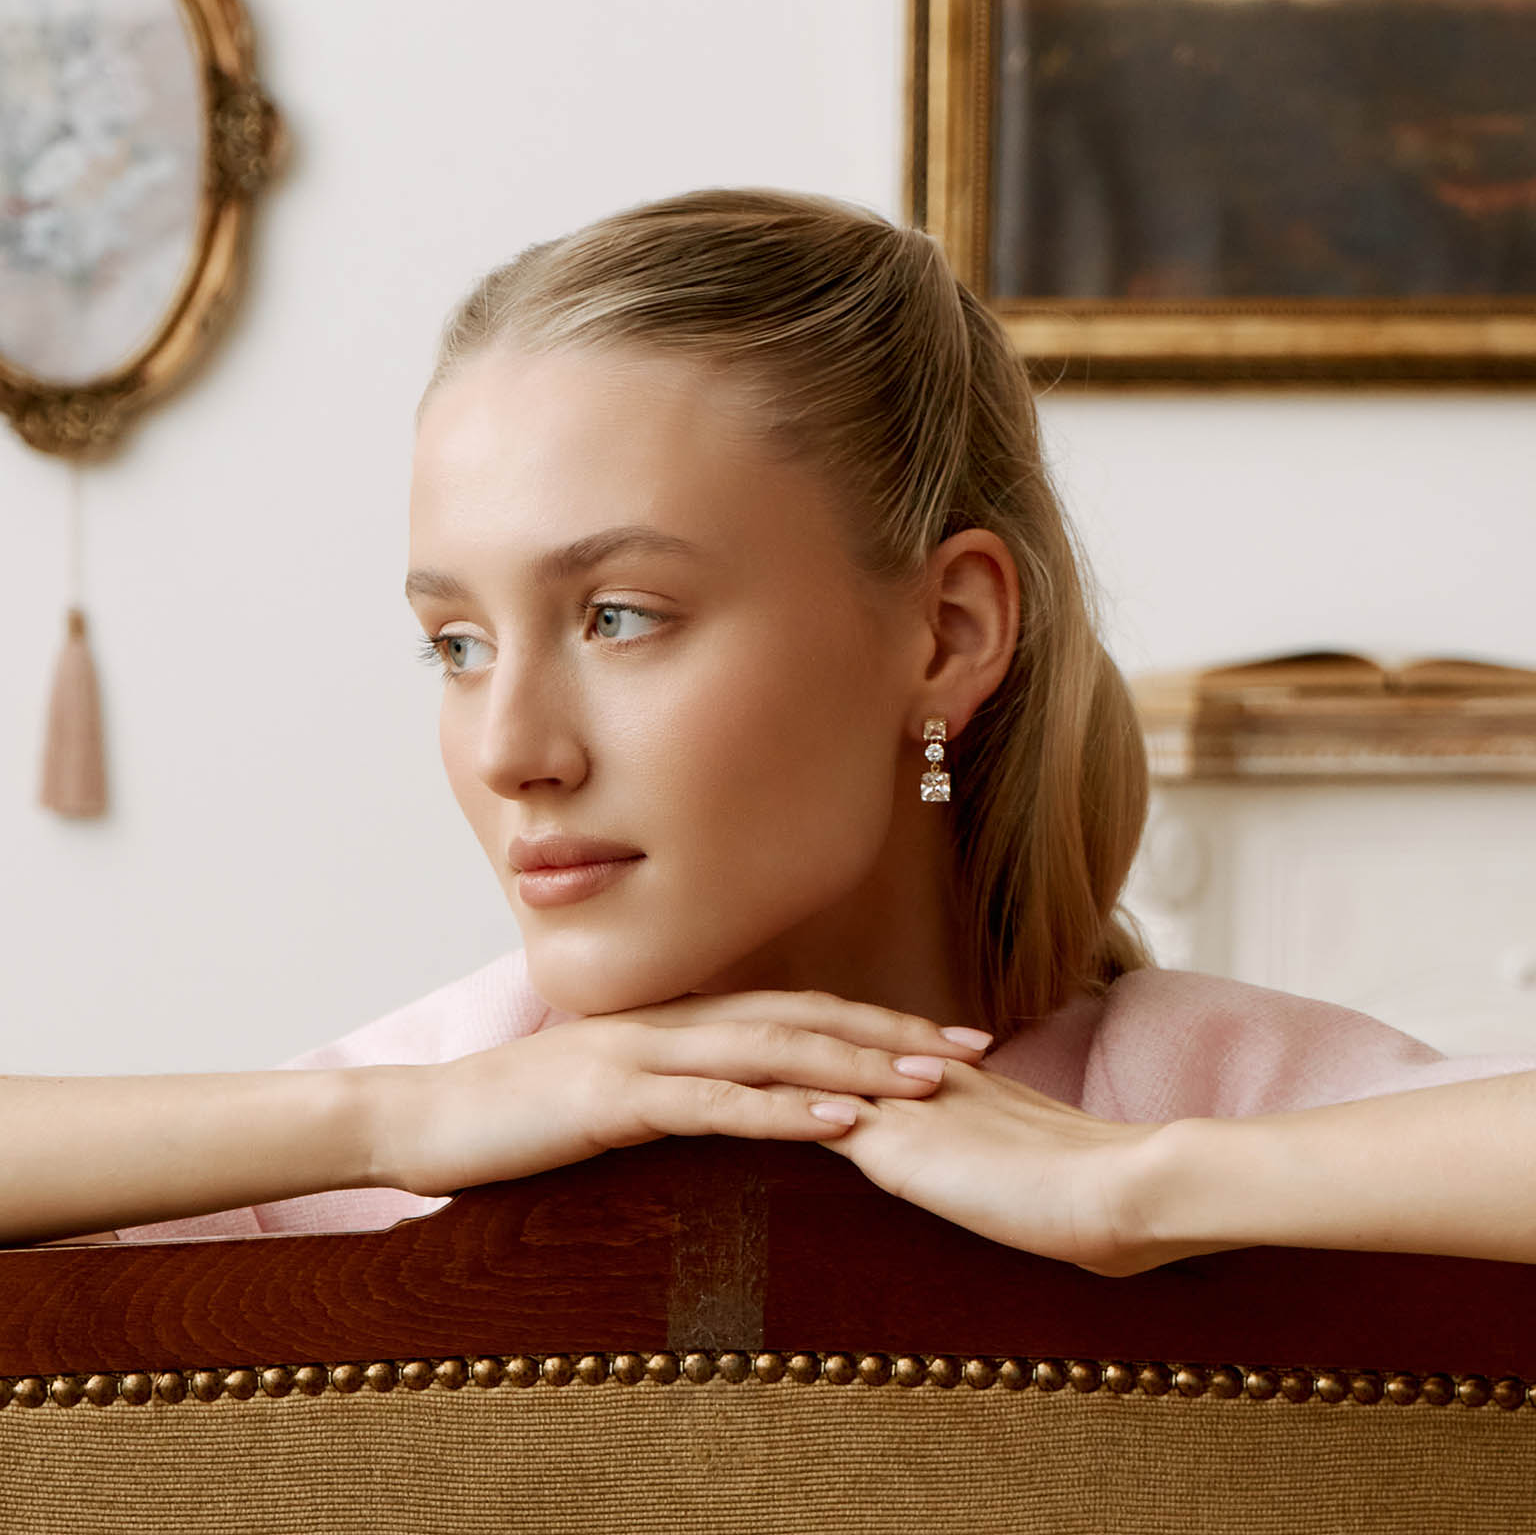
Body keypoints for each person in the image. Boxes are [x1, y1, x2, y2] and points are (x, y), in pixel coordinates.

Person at [8, 188, 1536, 1273]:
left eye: (618, 616)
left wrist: (1152, 1189)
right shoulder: (415, 1124)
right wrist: (384, 1117)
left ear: (946, 635)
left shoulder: (1210, 1109)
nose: (508, 749)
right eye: (456, 646)